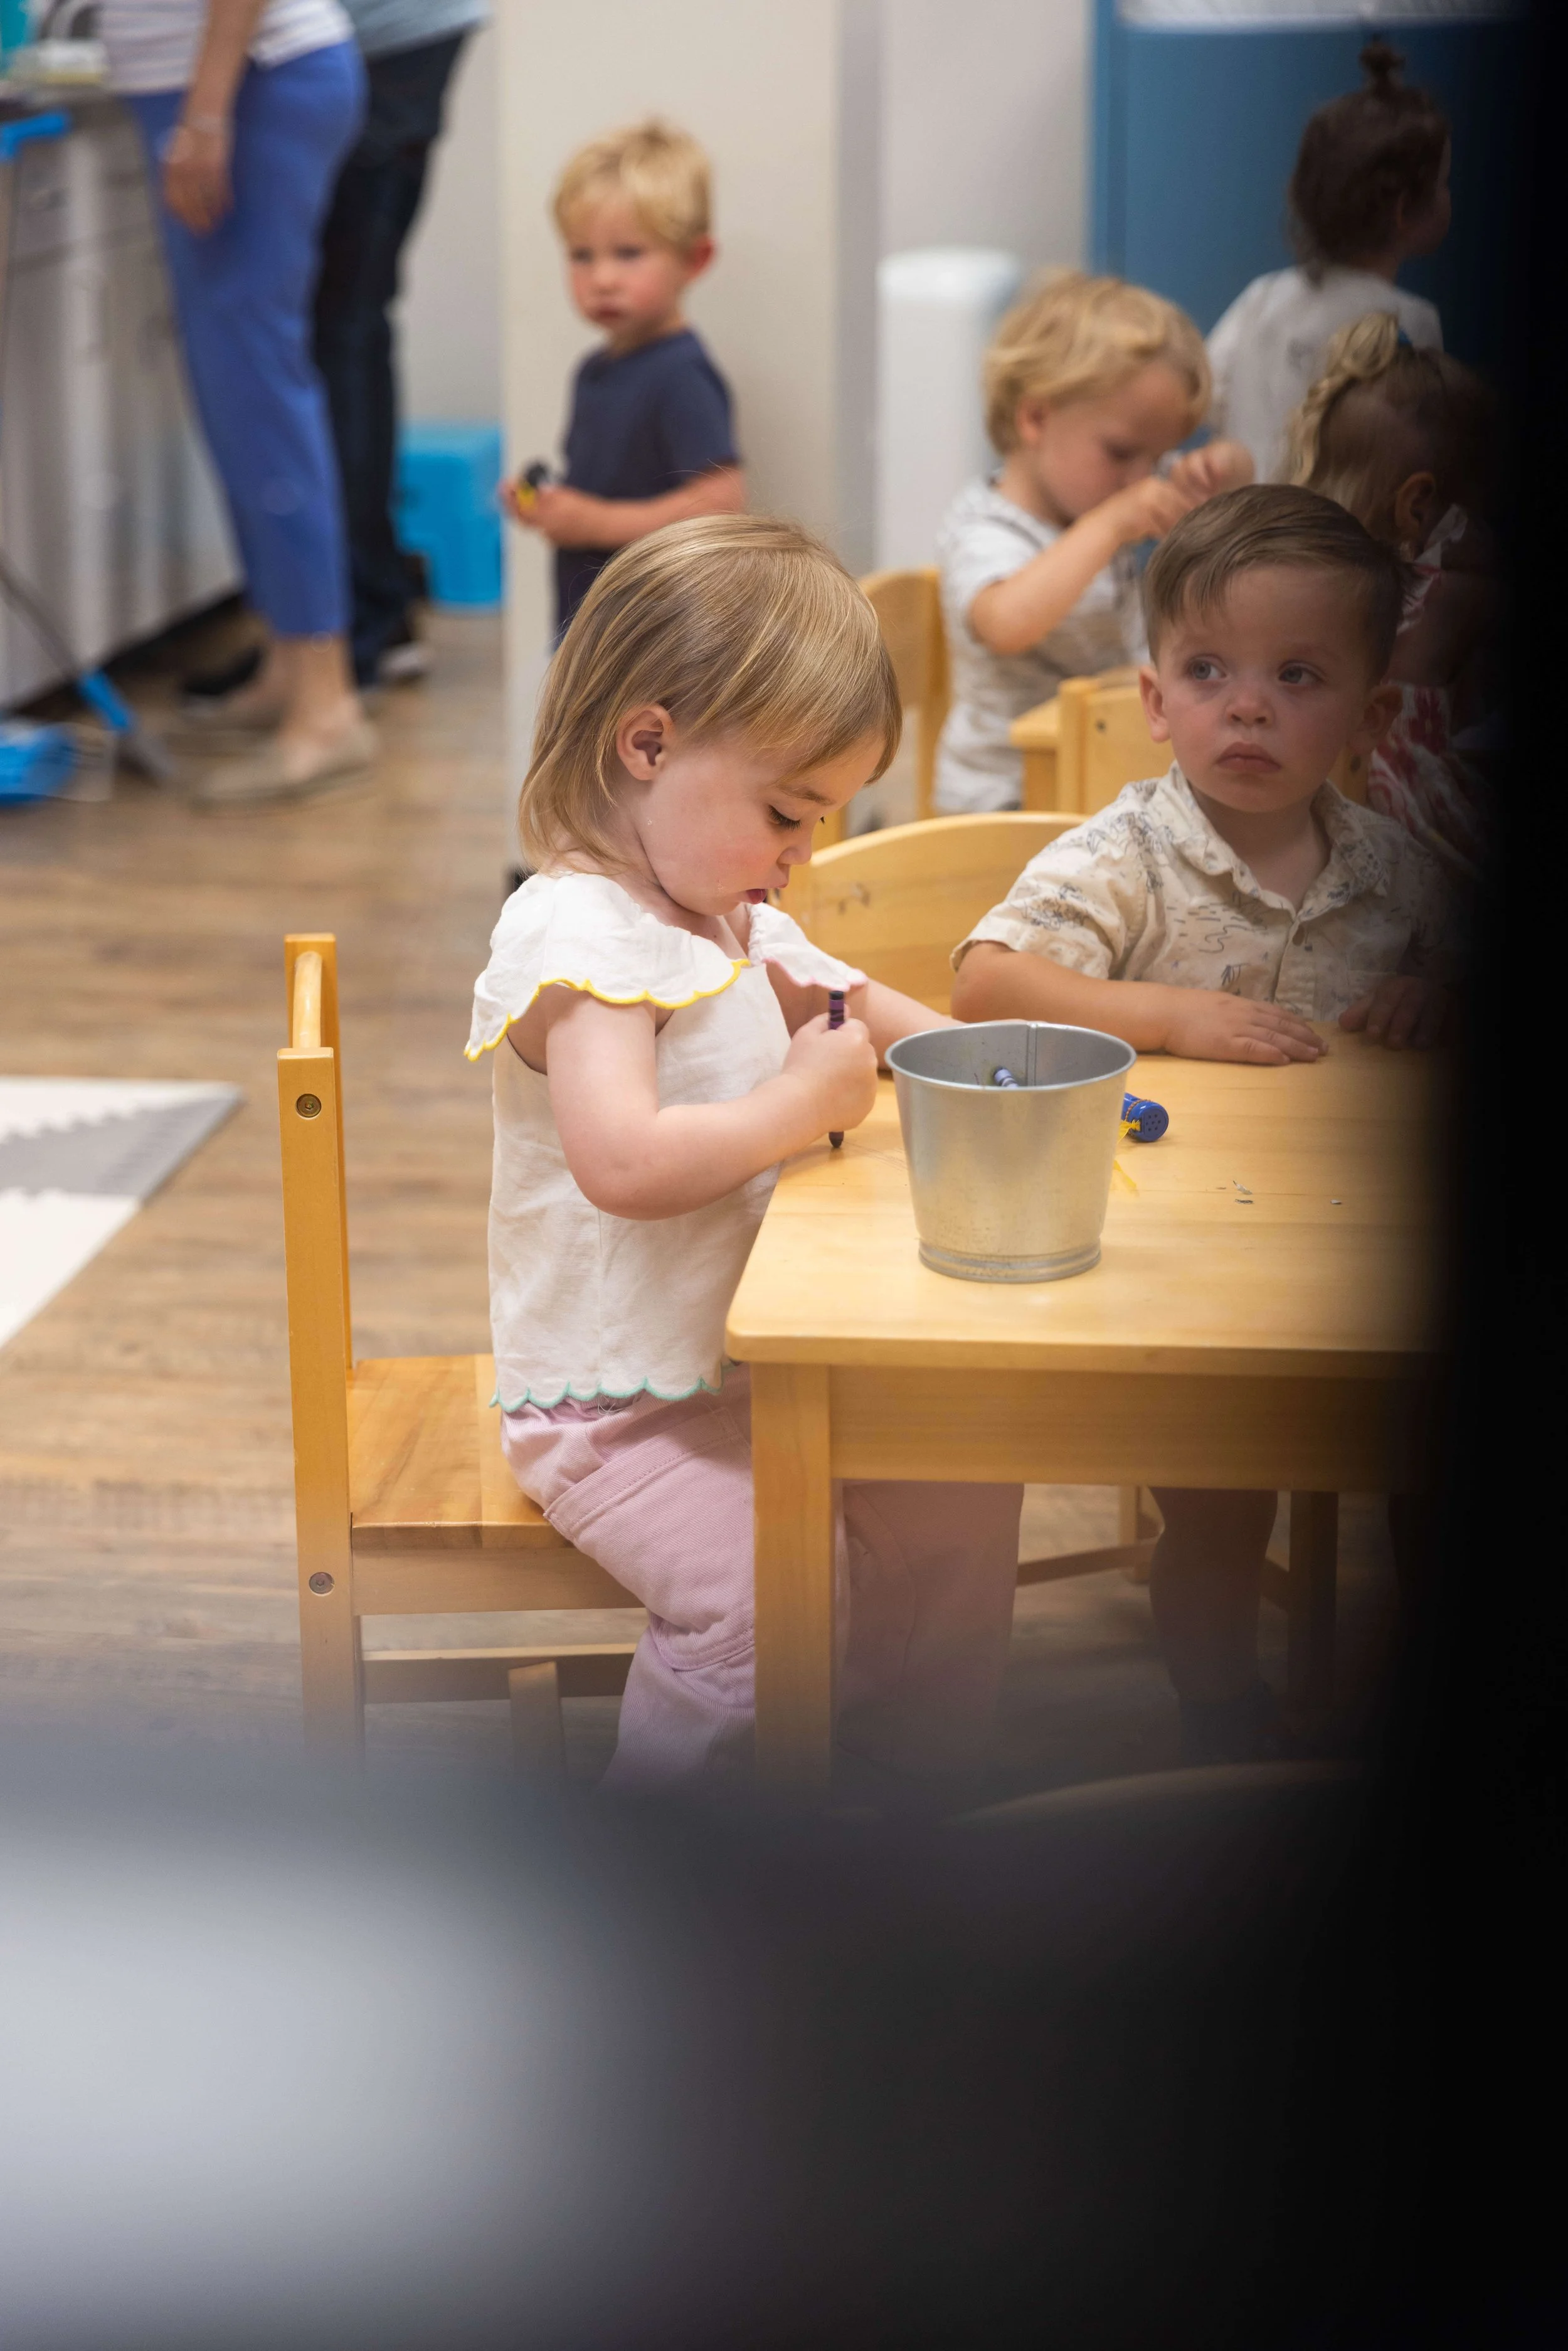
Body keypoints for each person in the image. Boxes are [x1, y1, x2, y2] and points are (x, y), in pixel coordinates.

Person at [467, 515, 1022, 1801]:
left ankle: (902, 1794)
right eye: (786, 810)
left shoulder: (721, 904)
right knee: (766, 1602)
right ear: (647, 743)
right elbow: (624, 1159)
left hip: (758, 1366)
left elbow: (870, 1010)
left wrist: (1020, 1077)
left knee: (959, 1484)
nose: (802, 853)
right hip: (610, 1408)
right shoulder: (581, 937)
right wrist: (793, 1101)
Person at [950, 486, 1457, 1761]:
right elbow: (988, 983)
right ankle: (1220, 1719)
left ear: (1368, 709)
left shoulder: (1397, 867)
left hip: (1357, 1262)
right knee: (1221, 1513)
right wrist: (1169, 1013)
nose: (1246, 705)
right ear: (1152, 696)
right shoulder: (1124, 853)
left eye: (1297, 674)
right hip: (1174, 1273)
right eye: (1207, 670)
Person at [101, 0, 376, 803]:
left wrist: (208, 114)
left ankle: (328, 709)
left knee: (258, 395)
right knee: (239, 393)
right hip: (230, 85)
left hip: (250, 86)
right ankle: (292, 664)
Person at [933, 269, 1253, 814]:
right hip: (1005, 802)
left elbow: (1241, 472)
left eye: (1156, 458)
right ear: (1036, 417)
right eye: (1122, 452)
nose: (1141, 478)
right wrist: (1109, 526)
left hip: (1097, 775)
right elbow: (1006, 623)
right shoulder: (987, 529)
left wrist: (1223, 468)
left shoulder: (1102, 488)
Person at [505, 120, 745, 642]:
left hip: (653, 635)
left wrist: (593, 523)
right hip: (590, 622)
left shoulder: (683, 376)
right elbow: (603, 484)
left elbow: (721, 505)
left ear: (695, 259)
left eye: (629, 254)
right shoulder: (594, 371)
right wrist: (547, 502)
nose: (603, 279)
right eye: (582, 256)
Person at [312, 0, 489, 692]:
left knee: (342, 336)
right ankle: (356, 616)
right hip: (392, 41)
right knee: (348, 332)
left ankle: (361, 620)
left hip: (382, 44)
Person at [1288, 312, 1496, 871]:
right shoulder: (1455, 591)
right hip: (1406, 824)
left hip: (1311, 813)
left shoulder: (1298, 578)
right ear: (1420, 506)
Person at [1207, 40, 1451, 484]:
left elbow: (1203, 395)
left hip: (1239, 529)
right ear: (1405, 210)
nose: (1448, 197)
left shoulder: (1263, 297)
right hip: (1331, 545)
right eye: (1442, 184)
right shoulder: (1413, 323)